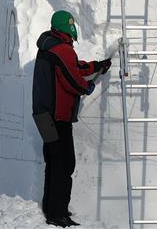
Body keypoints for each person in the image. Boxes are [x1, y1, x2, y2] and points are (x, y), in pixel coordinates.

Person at [32, 11, 111, 227]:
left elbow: (74, 67)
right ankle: (58, 214)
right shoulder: (62, 49)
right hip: (58, 118)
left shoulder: (49, 46)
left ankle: (51, 208)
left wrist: (96, 65)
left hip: (45, 116)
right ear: (66, 26)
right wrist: (88, 86)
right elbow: (73, 80)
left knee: (54, 162)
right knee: (65, 164)